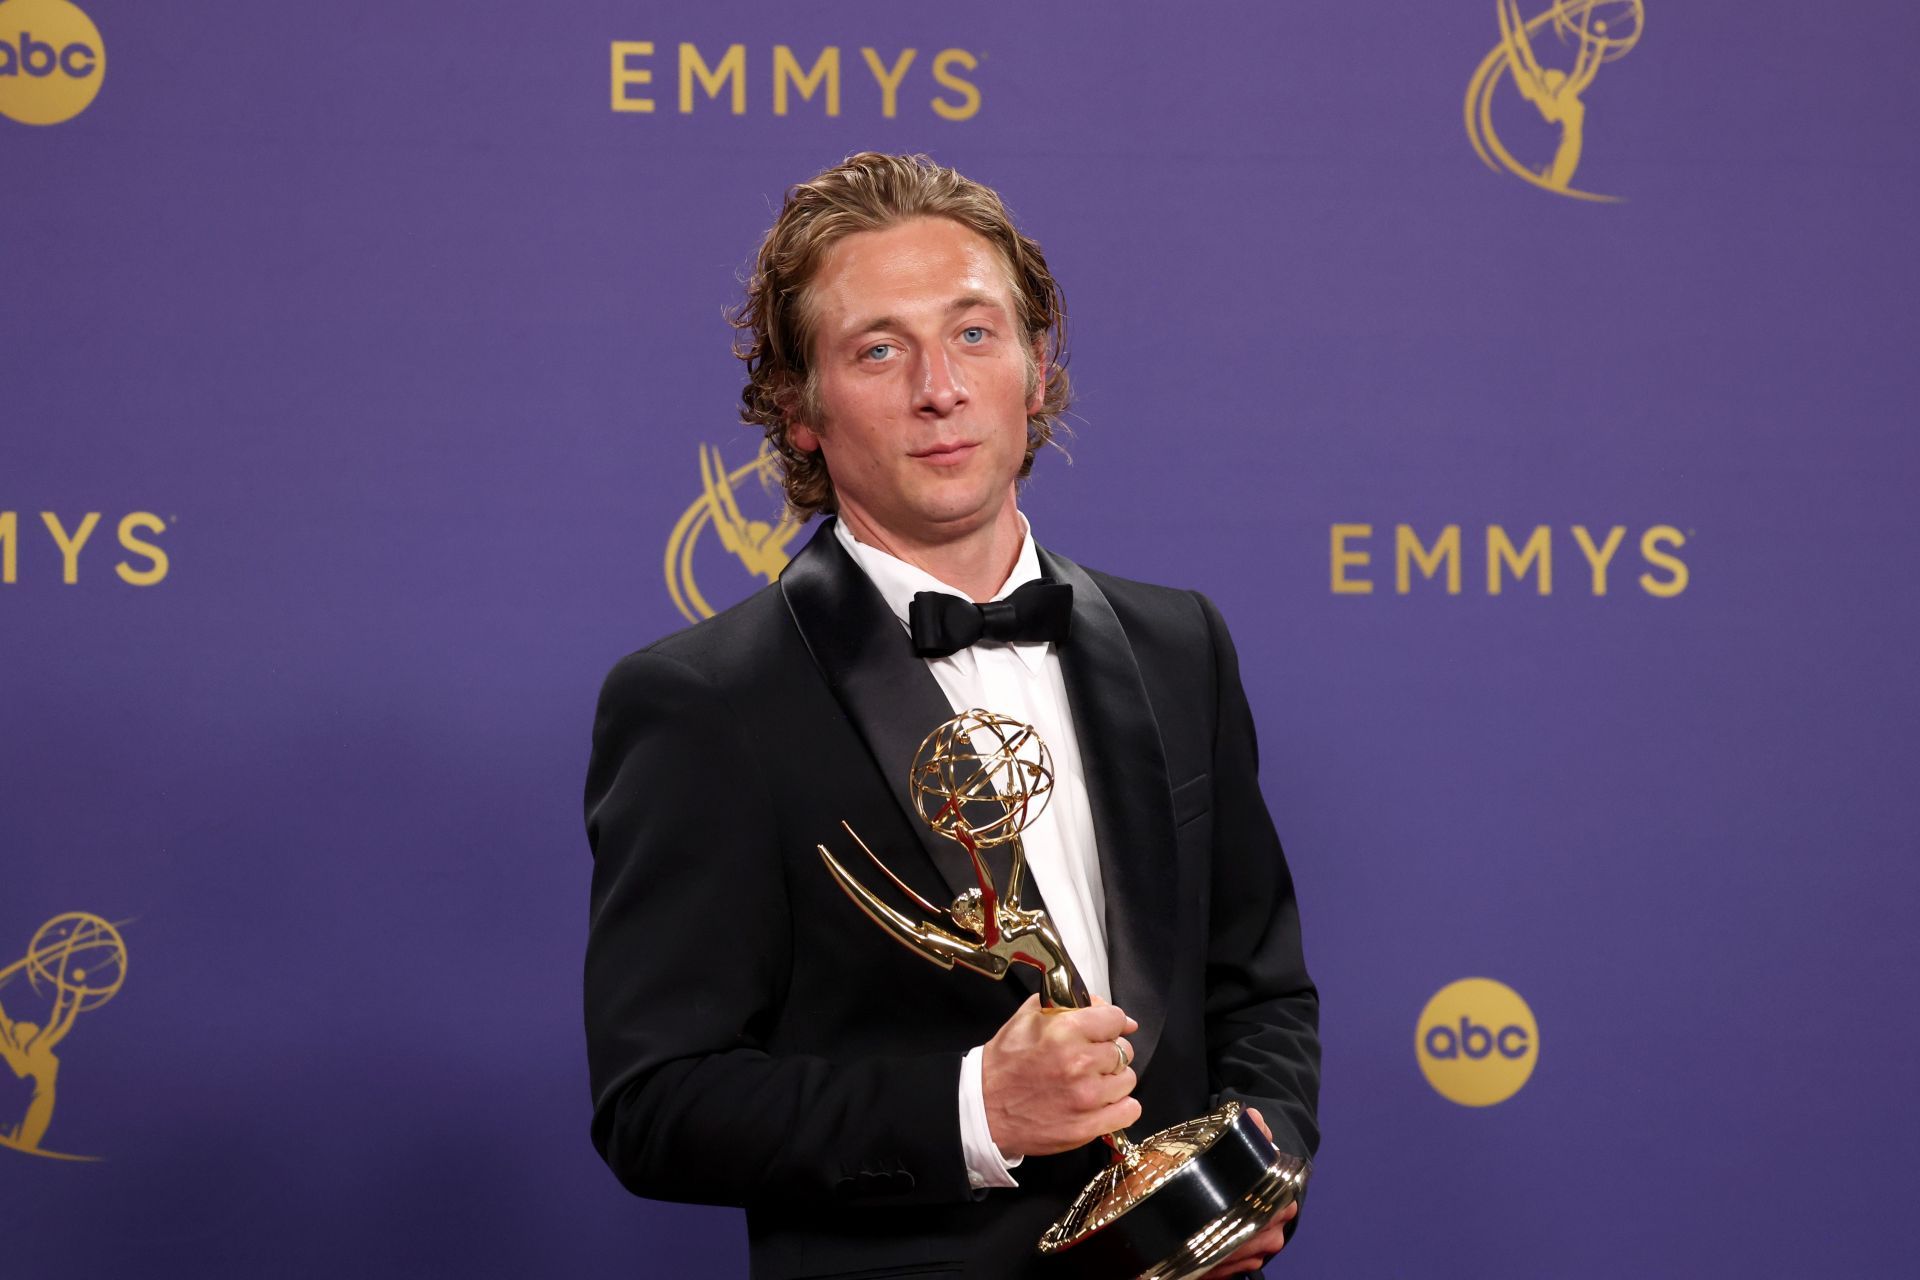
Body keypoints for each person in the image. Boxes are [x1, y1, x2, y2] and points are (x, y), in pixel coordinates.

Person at [584, 152, 1319, 1279]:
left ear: (1037, 366)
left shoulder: (1181, 644)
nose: (941, 385)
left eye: (975, 332)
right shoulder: (704, 701)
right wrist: (973, 1105)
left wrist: (1254, 1171)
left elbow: (1257, 985)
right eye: (879, 348)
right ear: (800, 410)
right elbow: (658, 1101)